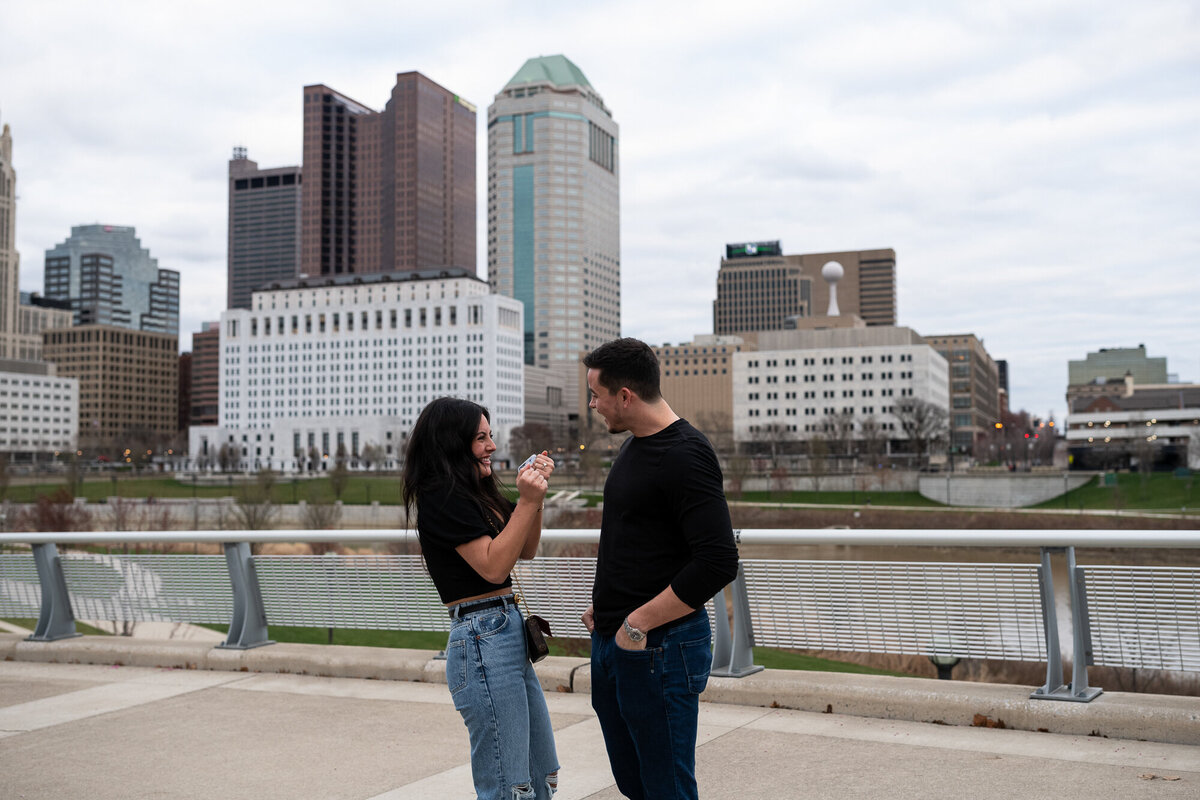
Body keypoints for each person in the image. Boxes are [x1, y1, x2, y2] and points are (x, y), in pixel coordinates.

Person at [580, 338, 740, 800]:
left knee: (666, 788)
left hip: (660, 649)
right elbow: (636, 541)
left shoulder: (686, 453)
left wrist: (637, 623)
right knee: (636, 785)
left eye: (596, 394)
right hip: (618, 644)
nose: (592, 405)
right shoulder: (634, 448)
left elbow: (717, 561)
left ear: (625, 395)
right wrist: (606, 608)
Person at [402, 397, 559, 800]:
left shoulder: (477, 493)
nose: (491, 446)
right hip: (481, 638)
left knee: (541, 776)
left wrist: (534, 497)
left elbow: (525, 550)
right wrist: (525, 501)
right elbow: (492, 566)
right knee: (510, 785)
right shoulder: (440, 497)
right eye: (480, 438)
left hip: (504, 634)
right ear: (453, 444)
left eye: (491, 436)